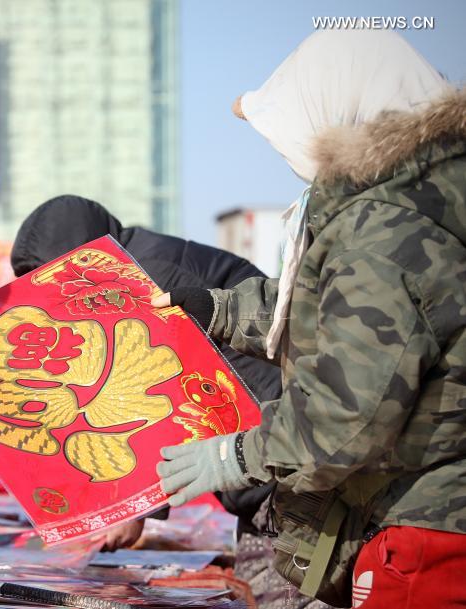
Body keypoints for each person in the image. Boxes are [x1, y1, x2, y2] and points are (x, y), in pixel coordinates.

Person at [155, 31, 465, 608]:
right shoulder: (421, 201)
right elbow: (332, 313)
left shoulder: (384, 229)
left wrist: (234, 456)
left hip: (427, 527)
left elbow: (348, 412)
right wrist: (217, 309)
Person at [10, 195, 282, 555]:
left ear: (70, 258)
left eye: (45, 279)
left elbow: (161, 394)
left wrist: (136, 507)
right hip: (265, 451)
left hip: (274, 457)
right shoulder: (132, 263)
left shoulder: (137, 278)